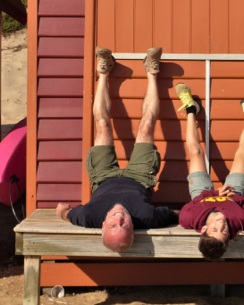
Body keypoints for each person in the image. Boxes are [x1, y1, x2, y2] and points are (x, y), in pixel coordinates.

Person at [55, 46, 178, 253]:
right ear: (134, 227)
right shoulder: (146, 217)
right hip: (140, 178)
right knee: (147, 124)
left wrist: (61, 212)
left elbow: (65, 213)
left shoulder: (89, 216)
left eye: (113, 225)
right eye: (126, 226)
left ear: (102, 225)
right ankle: (151, 72)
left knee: (102, 124)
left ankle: (103, 72)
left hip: (104, 177)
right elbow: (179, 215)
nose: (119, 219)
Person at [177, 83, 244, 260]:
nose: (221, 225)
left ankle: (190, 109)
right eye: (224, 232)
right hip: (233, 193)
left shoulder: (190, 219)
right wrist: (233, 197)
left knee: (196, 152)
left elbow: (188, 207)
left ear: (203, 229)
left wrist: (213, 193)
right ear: (231, 236)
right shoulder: (240, 221)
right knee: (243, 153)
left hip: (203, 195)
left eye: (214, 229)